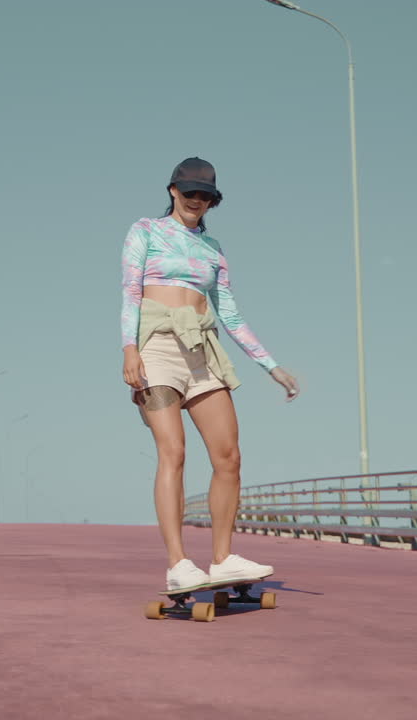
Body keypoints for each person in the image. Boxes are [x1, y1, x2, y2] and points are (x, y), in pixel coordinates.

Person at [120, 157, 300, 591]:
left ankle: (222, 559)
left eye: (205, 196)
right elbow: (130, 292)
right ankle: (179, 563)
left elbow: (231, 314)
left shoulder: (213, 249)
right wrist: (129, 350)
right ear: (173, 192)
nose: (196, 201)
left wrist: (270, 365)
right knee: (174, 452)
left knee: (229, 457)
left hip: (203, 353)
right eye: (189, 193)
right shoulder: (145, 231)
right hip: (157, 349)